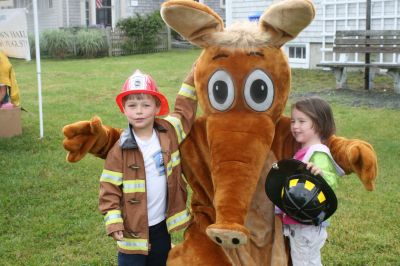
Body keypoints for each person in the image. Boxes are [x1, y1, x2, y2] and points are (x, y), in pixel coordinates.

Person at [99, 68, 197, 266]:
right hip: (131, 232)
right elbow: (108, 189)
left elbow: (184, 110)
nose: (139, 111)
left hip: (161, 227)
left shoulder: (169, 132)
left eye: (146, 104)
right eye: (132, 105)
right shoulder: (119, 150)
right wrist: (114, 221)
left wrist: (195, 74)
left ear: (157, 107)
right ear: (124, 109)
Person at [278, 96, 345, 266]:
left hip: (308, 225)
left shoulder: (318, 152)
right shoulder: (302, 151)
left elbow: (332, 181)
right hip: (299, 222)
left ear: (319, 124)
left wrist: (321, 173)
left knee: (306, 262)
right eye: (293, 121)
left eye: (302, 121)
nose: (295, 126)